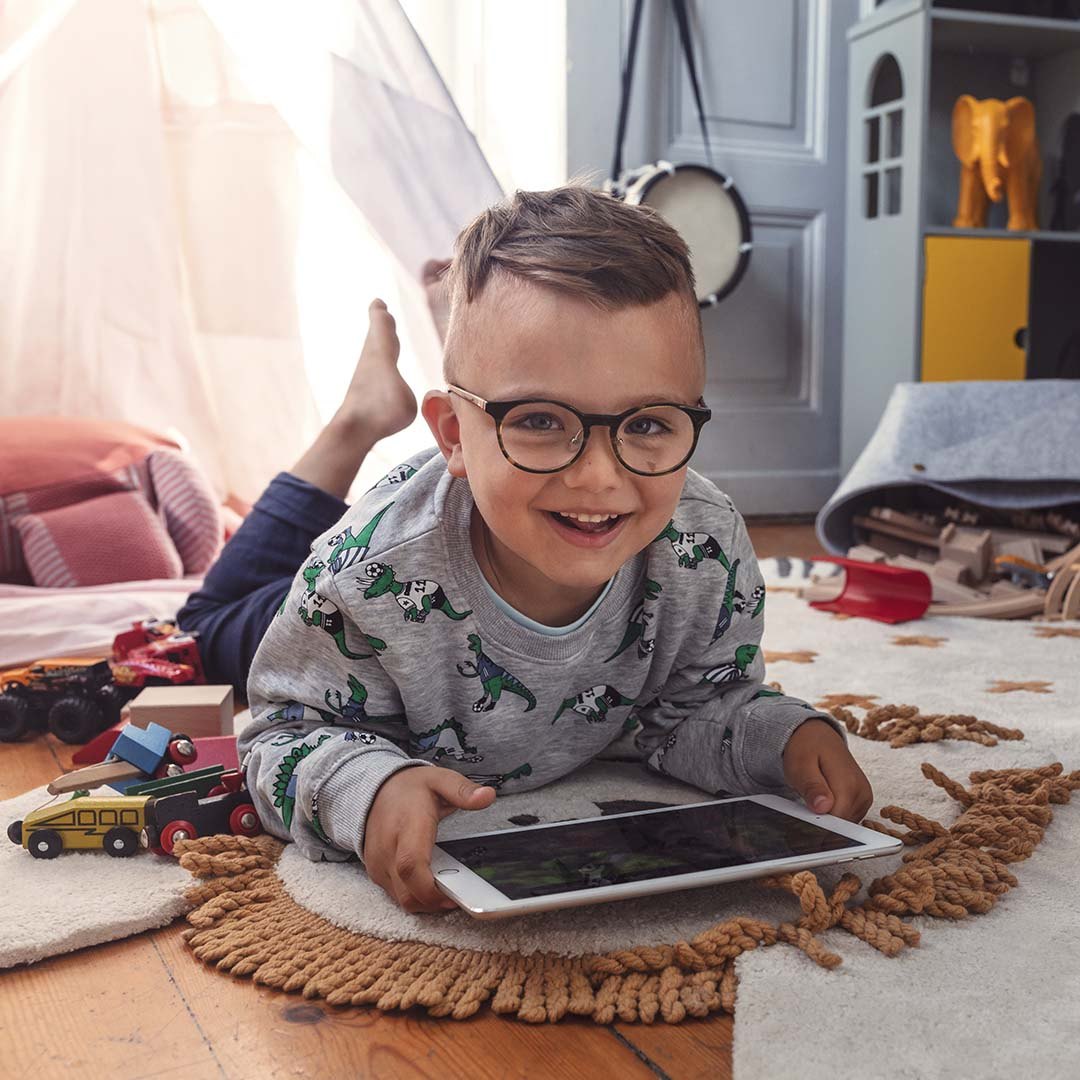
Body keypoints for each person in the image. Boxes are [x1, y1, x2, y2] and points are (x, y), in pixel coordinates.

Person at [214, 186, 873, 915]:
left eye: (650, 425)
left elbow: (692, 708)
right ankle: (357, 420)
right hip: (359, 605)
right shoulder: (359, 580)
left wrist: (776, 736)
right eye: (537, 419)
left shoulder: (702, 546)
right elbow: (279, 737)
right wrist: (365, 787)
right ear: (455, 434)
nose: (599, 476)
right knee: (204, 631)